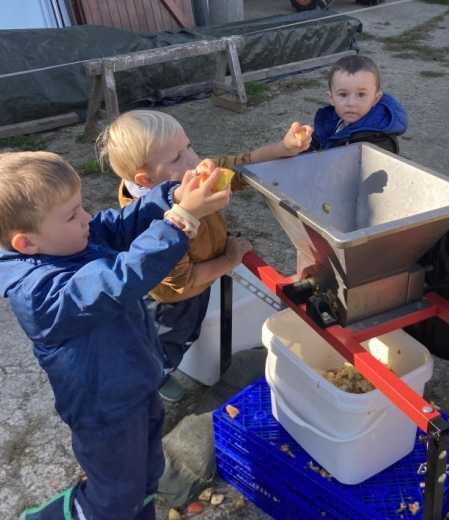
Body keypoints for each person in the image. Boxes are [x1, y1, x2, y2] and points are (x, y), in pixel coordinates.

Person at [0, 150, 230, 520]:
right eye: (72, 215)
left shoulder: (65, 240)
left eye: (81, 206)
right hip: (104, 410)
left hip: (136, 384)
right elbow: (116, 282)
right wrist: (180, 221)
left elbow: (119, 225)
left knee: (146, 473)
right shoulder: (42, 295)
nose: (87, 218)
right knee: (113, 500)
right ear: (26, 243)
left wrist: (172, 195)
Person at [95, 109, 311, 402]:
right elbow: (182, 281)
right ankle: (156, 374)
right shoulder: (153, 226)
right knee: (168, 340)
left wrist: (282, 149)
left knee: (191, 330)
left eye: (189, 146)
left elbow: (240, 167)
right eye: (176, 158)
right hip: (170, 302)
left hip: (200, 280)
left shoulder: (186, 178)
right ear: (145, 180)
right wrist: (230, 260)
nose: (193, 159)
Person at [308, 54, 407, 154]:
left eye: (361, 95)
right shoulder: (330, 121)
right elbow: (316, 141)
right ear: (331, 98)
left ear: (375, 99)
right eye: (343, 94)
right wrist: (297, 146)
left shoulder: (378, 140)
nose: (351, 103)